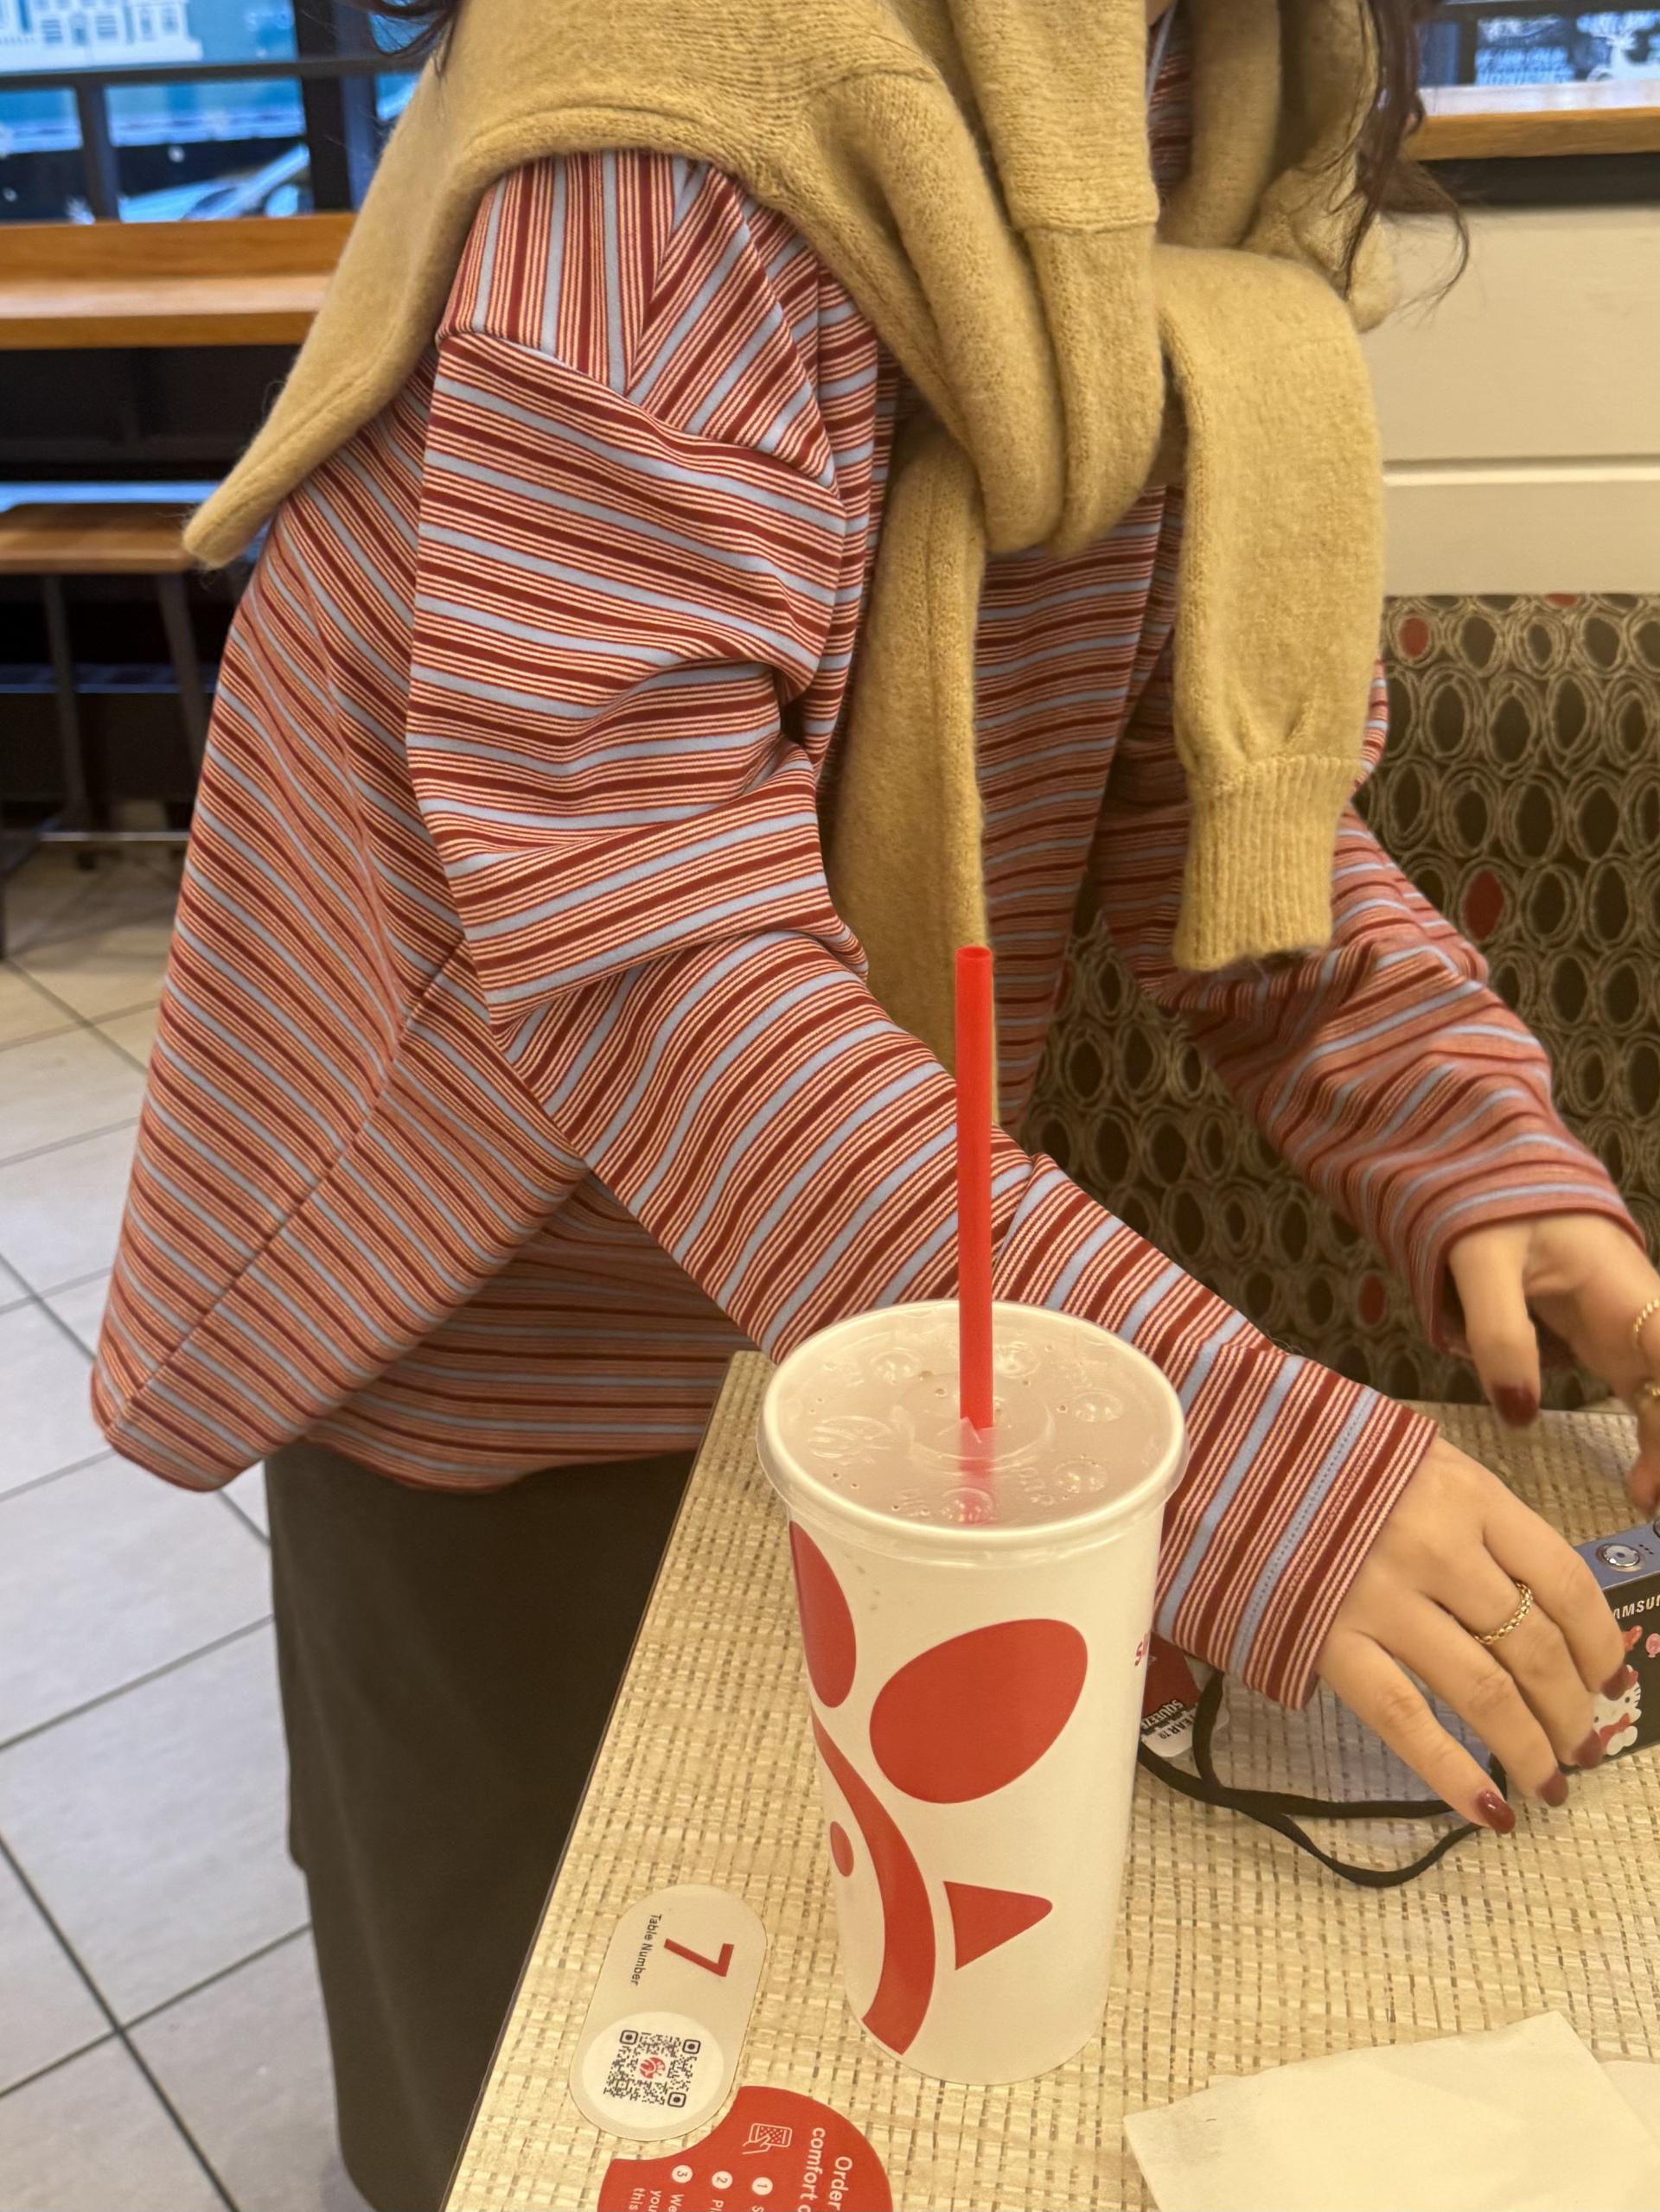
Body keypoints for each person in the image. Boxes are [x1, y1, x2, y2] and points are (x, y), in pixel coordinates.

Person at [92, 0, 1658, 2202]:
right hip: (494, 1308)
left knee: (890, 2034)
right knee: (533, 2066)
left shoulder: (1226, 88)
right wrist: (1258, 1471)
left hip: (865, 1276)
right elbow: (642, 936)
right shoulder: (665, 110)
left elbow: (1212, 763)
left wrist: (1468, 1136)